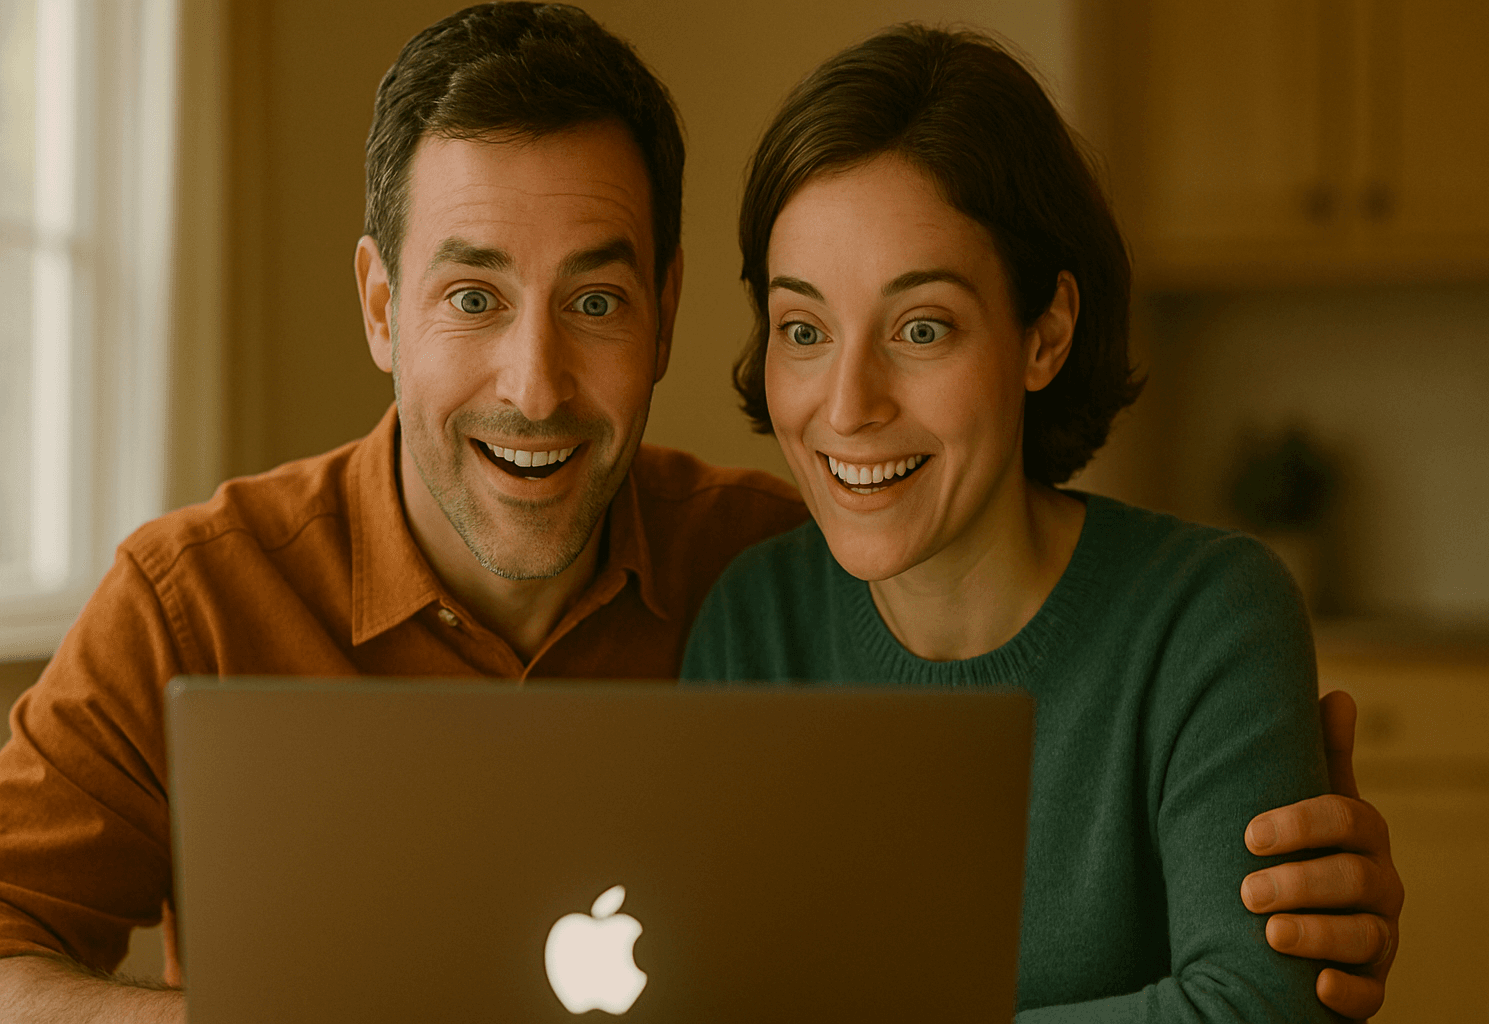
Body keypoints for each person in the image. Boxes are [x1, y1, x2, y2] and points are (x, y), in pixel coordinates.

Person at [0, 5, 1398, 1022]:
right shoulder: (191, 598)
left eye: (596, 301)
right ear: (382, 305)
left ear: (667, 313)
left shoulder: (773, 563)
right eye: (472, 296)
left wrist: (1284, 912)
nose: (535, 383)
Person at [682, 23, 1400, 1022]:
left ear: (1045, 333)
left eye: (921, 328)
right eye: (805, 330)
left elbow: (1257, 1008)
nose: (847, 404)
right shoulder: (752, 622)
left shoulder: (1207, 617)